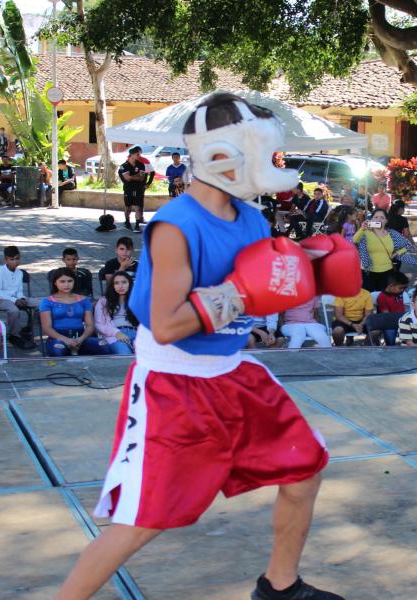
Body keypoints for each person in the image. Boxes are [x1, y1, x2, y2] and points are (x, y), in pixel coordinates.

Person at [59, 92, 353, 600]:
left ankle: (280, 587)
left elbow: (263, 285)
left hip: (232, 372)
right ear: (222, 155)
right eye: (264, 154)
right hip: (174, 384)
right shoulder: (176, 225)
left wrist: (310, 269)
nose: (272, 166)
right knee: (143, 522)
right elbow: (166, 325)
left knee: (304, 468)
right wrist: (239, 292)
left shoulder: (252, 219)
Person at [353, 208, 417, 292]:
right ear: (371, 219)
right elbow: (354, 240)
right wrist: (362, 228)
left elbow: (408, 245)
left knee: (384, 296)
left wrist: (396, 253)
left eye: (382, 217)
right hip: (368, 272)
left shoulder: (392, 234)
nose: (378, 219)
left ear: (386, 221)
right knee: (368, 296)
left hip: (387, 272)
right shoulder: (365, 232)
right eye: (376, 217)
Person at [40, 267, 101, 357]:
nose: (66, 284)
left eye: (70, 281)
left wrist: (80, 340)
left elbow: (90, 325)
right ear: (55, 283)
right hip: (57, 338)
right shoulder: (47, 301)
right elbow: (47, 328)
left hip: (81, 337)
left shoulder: (84, 300)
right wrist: (66, 340)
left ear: (74, 282)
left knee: (104, 346)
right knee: (58, 350)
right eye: (62, 281)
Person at [0, 246, 38, 350]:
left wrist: (22, 298)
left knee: (41, 303)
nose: (15, 262)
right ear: (5, 260)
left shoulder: (19, 273)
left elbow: (19, 290)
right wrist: (15, 300)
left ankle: (28, 327)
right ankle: (14, 335)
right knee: (14, 310)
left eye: (17, 258)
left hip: (16, 298)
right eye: (12, 259)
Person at [94, 271, 138, 355]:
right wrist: (116, 333)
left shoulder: (136, 300)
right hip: (114, 335)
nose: (120, 286)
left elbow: (143, 323)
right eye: (116, 283)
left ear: (130, 284)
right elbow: (99, 324)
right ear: (112, 285)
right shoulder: (104, 301)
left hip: (136, 334)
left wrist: (139, 337)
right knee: (125, 354)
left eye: (124, 282)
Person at [368, 270, 408, 346]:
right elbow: (387, 316)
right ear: (391, 286)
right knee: (390, 331)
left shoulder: (399, 293)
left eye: (404, 288)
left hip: (402, 320)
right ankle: (390, 347)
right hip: (388, 322)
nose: (403, 290)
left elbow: (405, 309)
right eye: (401, 288)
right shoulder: (382, 297)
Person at [118, 146, 148, 231]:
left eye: (140, 154)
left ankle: (137, 224)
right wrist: (136, 175)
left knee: (138, 207)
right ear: (132, 154)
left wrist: (131, 176)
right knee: (128, 207)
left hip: (139, 188)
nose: (139, 156)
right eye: (137, 154)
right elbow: (127, 179)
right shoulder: (124, 166)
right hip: (128, 188)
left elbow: (141, 178)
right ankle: (127, 221)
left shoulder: (141, 164)